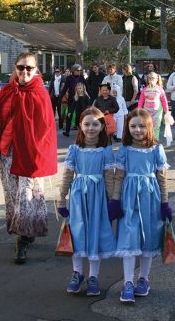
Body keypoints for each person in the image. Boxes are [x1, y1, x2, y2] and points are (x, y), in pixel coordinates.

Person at [0, 52, 57, 264]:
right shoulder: (7, 92)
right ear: (15, 68)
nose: (24, 71)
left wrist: (40, 158)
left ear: (36, 70)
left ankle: (22, 241)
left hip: (31, 154)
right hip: (8, 153)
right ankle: (25, 232)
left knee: (27, 197)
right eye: (21, 67)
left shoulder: (40, 94)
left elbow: (46, 131)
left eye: (29, 68)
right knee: (13, 197)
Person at [113, 108, 172, 303]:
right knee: (129, 237)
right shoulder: (124, 150)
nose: (137, 130)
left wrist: (165, 202)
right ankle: (127, 282)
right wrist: (115, 200)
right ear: (127, 128)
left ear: (149, 127)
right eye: (133, 126)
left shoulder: (156, 149)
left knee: (148, 236)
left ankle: (143, 279)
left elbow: (162, 178)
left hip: (150, 197)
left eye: (141, 126)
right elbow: (119, 176)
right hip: (128, 198)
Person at [57, 107, 117, 296]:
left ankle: (93, 276)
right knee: (77, 233)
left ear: (102, 126)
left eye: (95, 124)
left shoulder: (106, 151)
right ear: (80, 126)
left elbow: (109, 177)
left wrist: (111, 201)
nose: (91, 128)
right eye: (86, 124)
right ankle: (77, 272)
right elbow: (67, 176)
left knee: (95, 233)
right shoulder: (74, 149)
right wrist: (61, 200)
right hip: (78, 197)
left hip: (98, 198)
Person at [138, 72, 169, 140]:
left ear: (157, 79)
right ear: (147, 79)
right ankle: (147, 139)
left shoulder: (160, 89)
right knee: (146, 125)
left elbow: (164, 100)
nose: (151, 79)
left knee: (156, 126)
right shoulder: (144, 89)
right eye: (149, 78)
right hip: (147, 111)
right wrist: (139, 110)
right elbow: (141, 100)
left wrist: (166, 111)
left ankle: (155, 140)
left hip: (157, 112)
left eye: (153, 78)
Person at [60, 64, 87, 134]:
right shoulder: (69, 78)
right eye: (78, 70)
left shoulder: (81, 77)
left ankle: (82, 130)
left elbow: (86, 87)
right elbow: (65, 88)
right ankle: (67, 131)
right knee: (69, 113)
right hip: (72, 98)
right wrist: (60, 97)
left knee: (80, 114)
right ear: (73, 70)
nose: (79, 71)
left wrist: (89, 96)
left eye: (80, 70)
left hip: (81, 98)